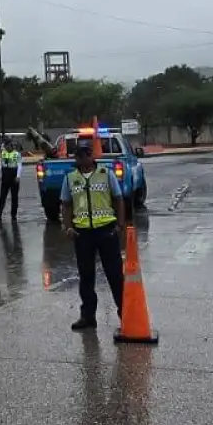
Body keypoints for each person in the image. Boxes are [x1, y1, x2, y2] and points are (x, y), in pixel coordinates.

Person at [62, 141, 125, 331]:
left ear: (92, 155)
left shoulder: (106, 174)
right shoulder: (70, 178)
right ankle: (88, 316)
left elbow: (118, 199)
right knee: (86, 276)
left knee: (115, 275)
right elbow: (66, 204)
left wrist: (120, 224)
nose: (84, 159)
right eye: (80, 155)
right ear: (76, 158)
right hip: (82, 234)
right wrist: (68, 227)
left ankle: (126, 314)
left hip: (106, 230)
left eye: (87, 154)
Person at [0, 138, 23, 222]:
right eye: (5, 146)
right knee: (2, 197)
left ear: (10, 145)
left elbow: (19, 166)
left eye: (7, 145)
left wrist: (18, 176)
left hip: (14, 175)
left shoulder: (17, 154)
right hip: (5, 176)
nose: (6, 147)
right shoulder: (3, 153)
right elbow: (0, 164)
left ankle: (13, 216)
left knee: (14, 197)